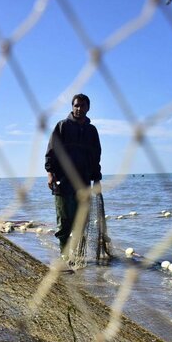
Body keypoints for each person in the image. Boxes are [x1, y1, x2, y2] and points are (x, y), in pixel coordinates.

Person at [44, 93, 102, 259]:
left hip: (83, 183)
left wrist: (97, 177)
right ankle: (64, 256)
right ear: (72, 107)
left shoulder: (92, 131)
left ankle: (78, 256)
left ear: (88, 108)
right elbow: (51, 151)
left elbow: (96, 156)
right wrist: (50, 173)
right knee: (64, 222)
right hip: (62, 182)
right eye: (76, 105)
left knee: (81, 221)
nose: (79, 109)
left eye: (82, 106)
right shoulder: (62, 126)